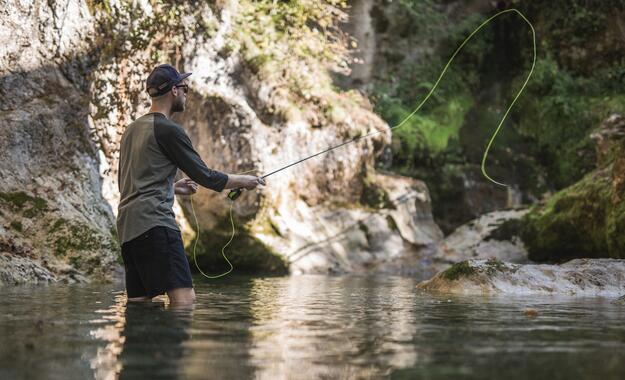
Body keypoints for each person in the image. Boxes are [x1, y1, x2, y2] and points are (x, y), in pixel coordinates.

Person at [116, 64, 265, 306]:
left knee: (139, 306)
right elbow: (205, 176)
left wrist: (173, 188)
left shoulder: (131, 131)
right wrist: (245, 181)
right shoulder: (168, 130)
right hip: (156, 225)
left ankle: (141, 345)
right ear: (174, 90)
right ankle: (173, 343)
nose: (187, 93)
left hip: (128, 231)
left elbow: (129, 184)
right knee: (184, 302)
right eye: (185, 88)